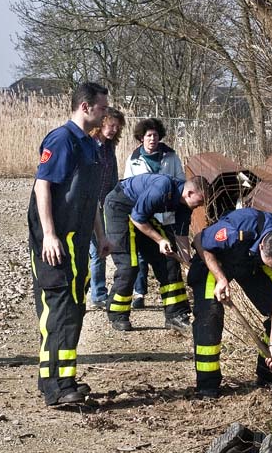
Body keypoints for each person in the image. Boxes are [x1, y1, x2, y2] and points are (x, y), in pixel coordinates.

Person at [27, 82, 110, 406]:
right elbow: (43, 187)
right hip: (55, 243)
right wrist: (49, 234)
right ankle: (55, 388)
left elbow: (90, 198)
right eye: (102, 108)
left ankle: (63, 378)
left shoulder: (89, 145)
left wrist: (101, 235)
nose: (105, 113)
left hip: (77, 242)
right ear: (85, 107)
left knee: (74, 309)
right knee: (58, 311)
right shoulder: (62, 140)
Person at [188, 208, 272, 398]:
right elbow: (199, 240)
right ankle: (207, 385)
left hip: (251, 265)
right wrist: (221, 278)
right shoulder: (237, 230)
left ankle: (271, 376)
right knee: (210, 315)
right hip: (216, 260)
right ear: (261, 247)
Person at [104, 173, 208, 333]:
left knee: (169, 259)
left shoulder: (185, 205)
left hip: (140, 213)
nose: (200, 205)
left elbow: (181, 236)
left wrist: (187, 263)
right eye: (200, 201)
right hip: (119, 208)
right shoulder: (163, 187)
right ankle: (117, 313)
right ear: (190, 193)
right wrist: (160, 240)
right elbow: (137, 218)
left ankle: (176, 314)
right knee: (129, 265)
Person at [123, 118, 185, 310]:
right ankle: (139, 293)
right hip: (143, 214)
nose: (152, 139)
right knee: (141, 257)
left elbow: (181, 181)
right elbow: (128, 186)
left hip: (166, 215)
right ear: (141, 138)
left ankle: (169, 297)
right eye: (149, 135)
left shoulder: (171, 157)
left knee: (166, 256)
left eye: (155, 135)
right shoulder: (133, 159)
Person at [88, 107, 126, 309]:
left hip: (104, 204)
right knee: (93, 250)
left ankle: (98, 293)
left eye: (116, 128)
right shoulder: (90, 145)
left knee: (98, 250)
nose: (113, 130)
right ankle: (95, 292)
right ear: (101, 123)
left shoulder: (109, 147)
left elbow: (112, 175)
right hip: (88, 204)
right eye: (111, 126)